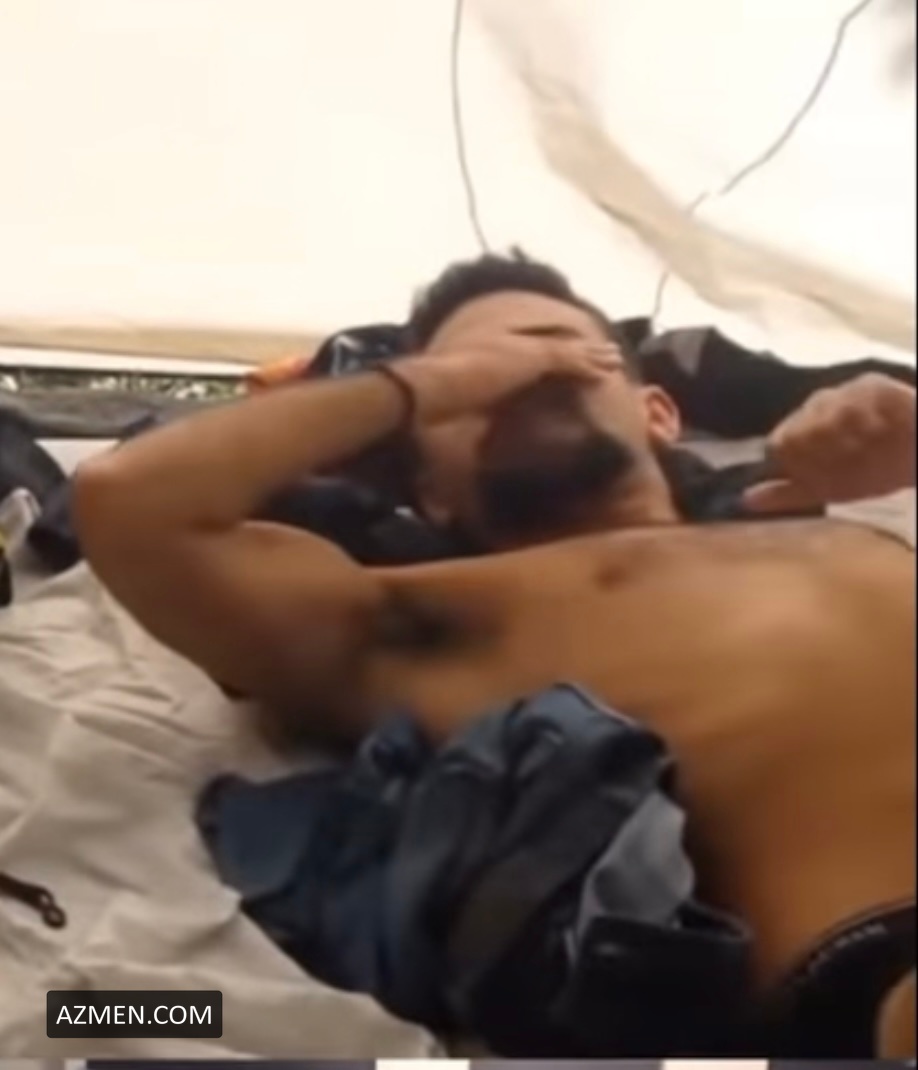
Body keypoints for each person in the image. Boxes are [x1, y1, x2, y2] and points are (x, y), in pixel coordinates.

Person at [73, 253, 916, 1056]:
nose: (530, 372)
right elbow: (130, 501)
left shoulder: (849, 518)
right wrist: (436, 382)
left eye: (562, 349)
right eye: (484, 367)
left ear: (658, 414)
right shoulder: (424, 620)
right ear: (428, 489)